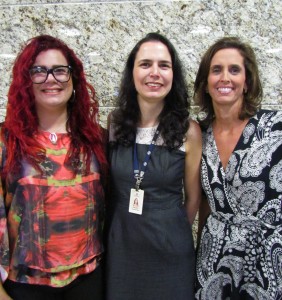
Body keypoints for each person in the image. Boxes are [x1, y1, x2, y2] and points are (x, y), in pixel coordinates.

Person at [0, 35, 107, 300]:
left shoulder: (97, 140)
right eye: (39, 71)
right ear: (26, 80)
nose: (51, 79)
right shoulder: (6, 143)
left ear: (73, 79)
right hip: (26, 287)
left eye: (60, 70)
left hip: (88, 282)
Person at [105, 32, 202, 300]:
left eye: (164, 65)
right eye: (145, 64)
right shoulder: (115, 123)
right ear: (132, 72)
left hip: (169, 251)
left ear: (174, 74)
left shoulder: (188, 131)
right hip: (121, 248)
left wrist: (167, 225)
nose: (154, 73)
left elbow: (193, 199)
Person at [194, 36, 282, 299]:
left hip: (267, 258)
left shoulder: (275, 127)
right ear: (206, 83)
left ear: (247, 82)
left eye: (234, 70)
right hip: (213, 262)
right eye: (216, 70)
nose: (225, 78)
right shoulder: (199, 134)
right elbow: (205, 204)